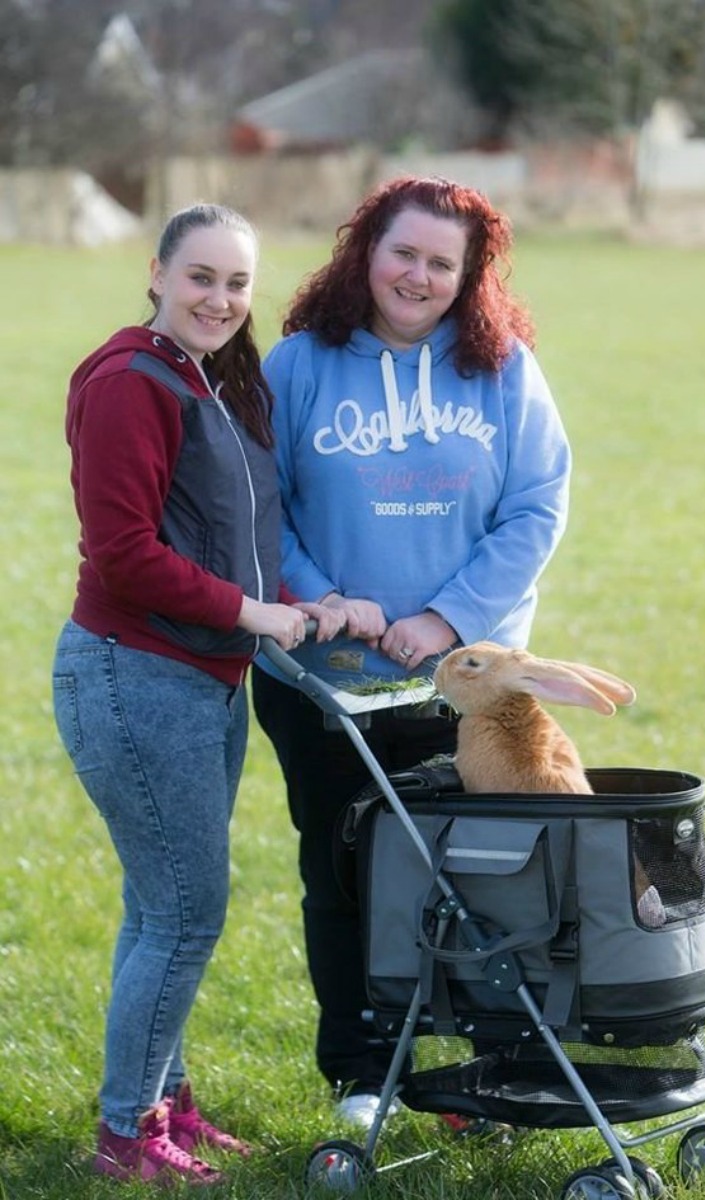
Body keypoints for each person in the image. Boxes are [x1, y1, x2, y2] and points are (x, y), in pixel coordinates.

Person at [250, 176, 572, 1128]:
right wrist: (324, 599)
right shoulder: (299, 365)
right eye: (403, 252)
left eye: (443, 262)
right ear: (365, 250)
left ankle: (483, 1065)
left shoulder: (504, 367)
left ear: (469, 277)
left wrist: (447, 616)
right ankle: (362, 1070)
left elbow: (537, 505)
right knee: (344, 865)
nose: (418, 275)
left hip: (465, 681)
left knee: (475, 867)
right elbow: (259, 508)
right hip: (323, 674)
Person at [51, 203, 343, 1185]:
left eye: (236, 283)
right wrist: (251, 617)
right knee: (184, 910)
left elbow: (236, 540)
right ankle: (127, 1135)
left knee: (161, 904)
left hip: (198, 680)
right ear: (156, 274)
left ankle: (161, 1101)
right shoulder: (132, 383)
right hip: (135, 673)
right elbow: (125, 556)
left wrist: (306, 601)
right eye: (201, 278)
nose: (220, 299)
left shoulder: (206, 380)